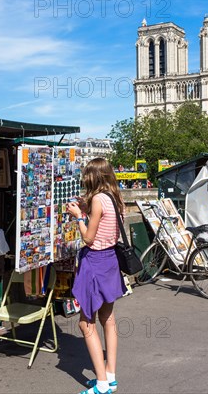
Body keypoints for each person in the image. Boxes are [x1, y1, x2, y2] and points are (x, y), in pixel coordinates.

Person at [66, 158, 127, 394]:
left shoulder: (98, 200)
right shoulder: (115, 198)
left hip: (95, 263)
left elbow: (89, 238)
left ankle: (101, 384)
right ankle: (110, 375)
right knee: (108, 319)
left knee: (85, 323)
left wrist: (79, 216)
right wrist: (86, 209)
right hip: (111, 261)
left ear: (93, 176)